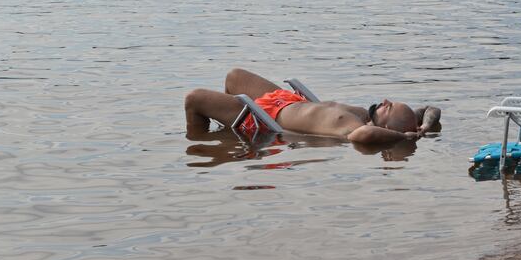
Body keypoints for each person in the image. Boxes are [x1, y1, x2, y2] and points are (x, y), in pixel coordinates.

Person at [184, 68, 442, 143]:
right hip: (287, 100)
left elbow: (365, 136)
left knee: (193, 99)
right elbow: (430, 109)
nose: (385, 101)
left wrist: (402, 137)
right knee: (234, 76)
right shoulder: (363, 114)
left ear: (386, 126)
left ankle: (203, 140)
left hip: (266, 117)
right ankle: (229, 134)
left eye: (389, 107)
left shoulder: (355, 128)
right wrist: (424, 127)